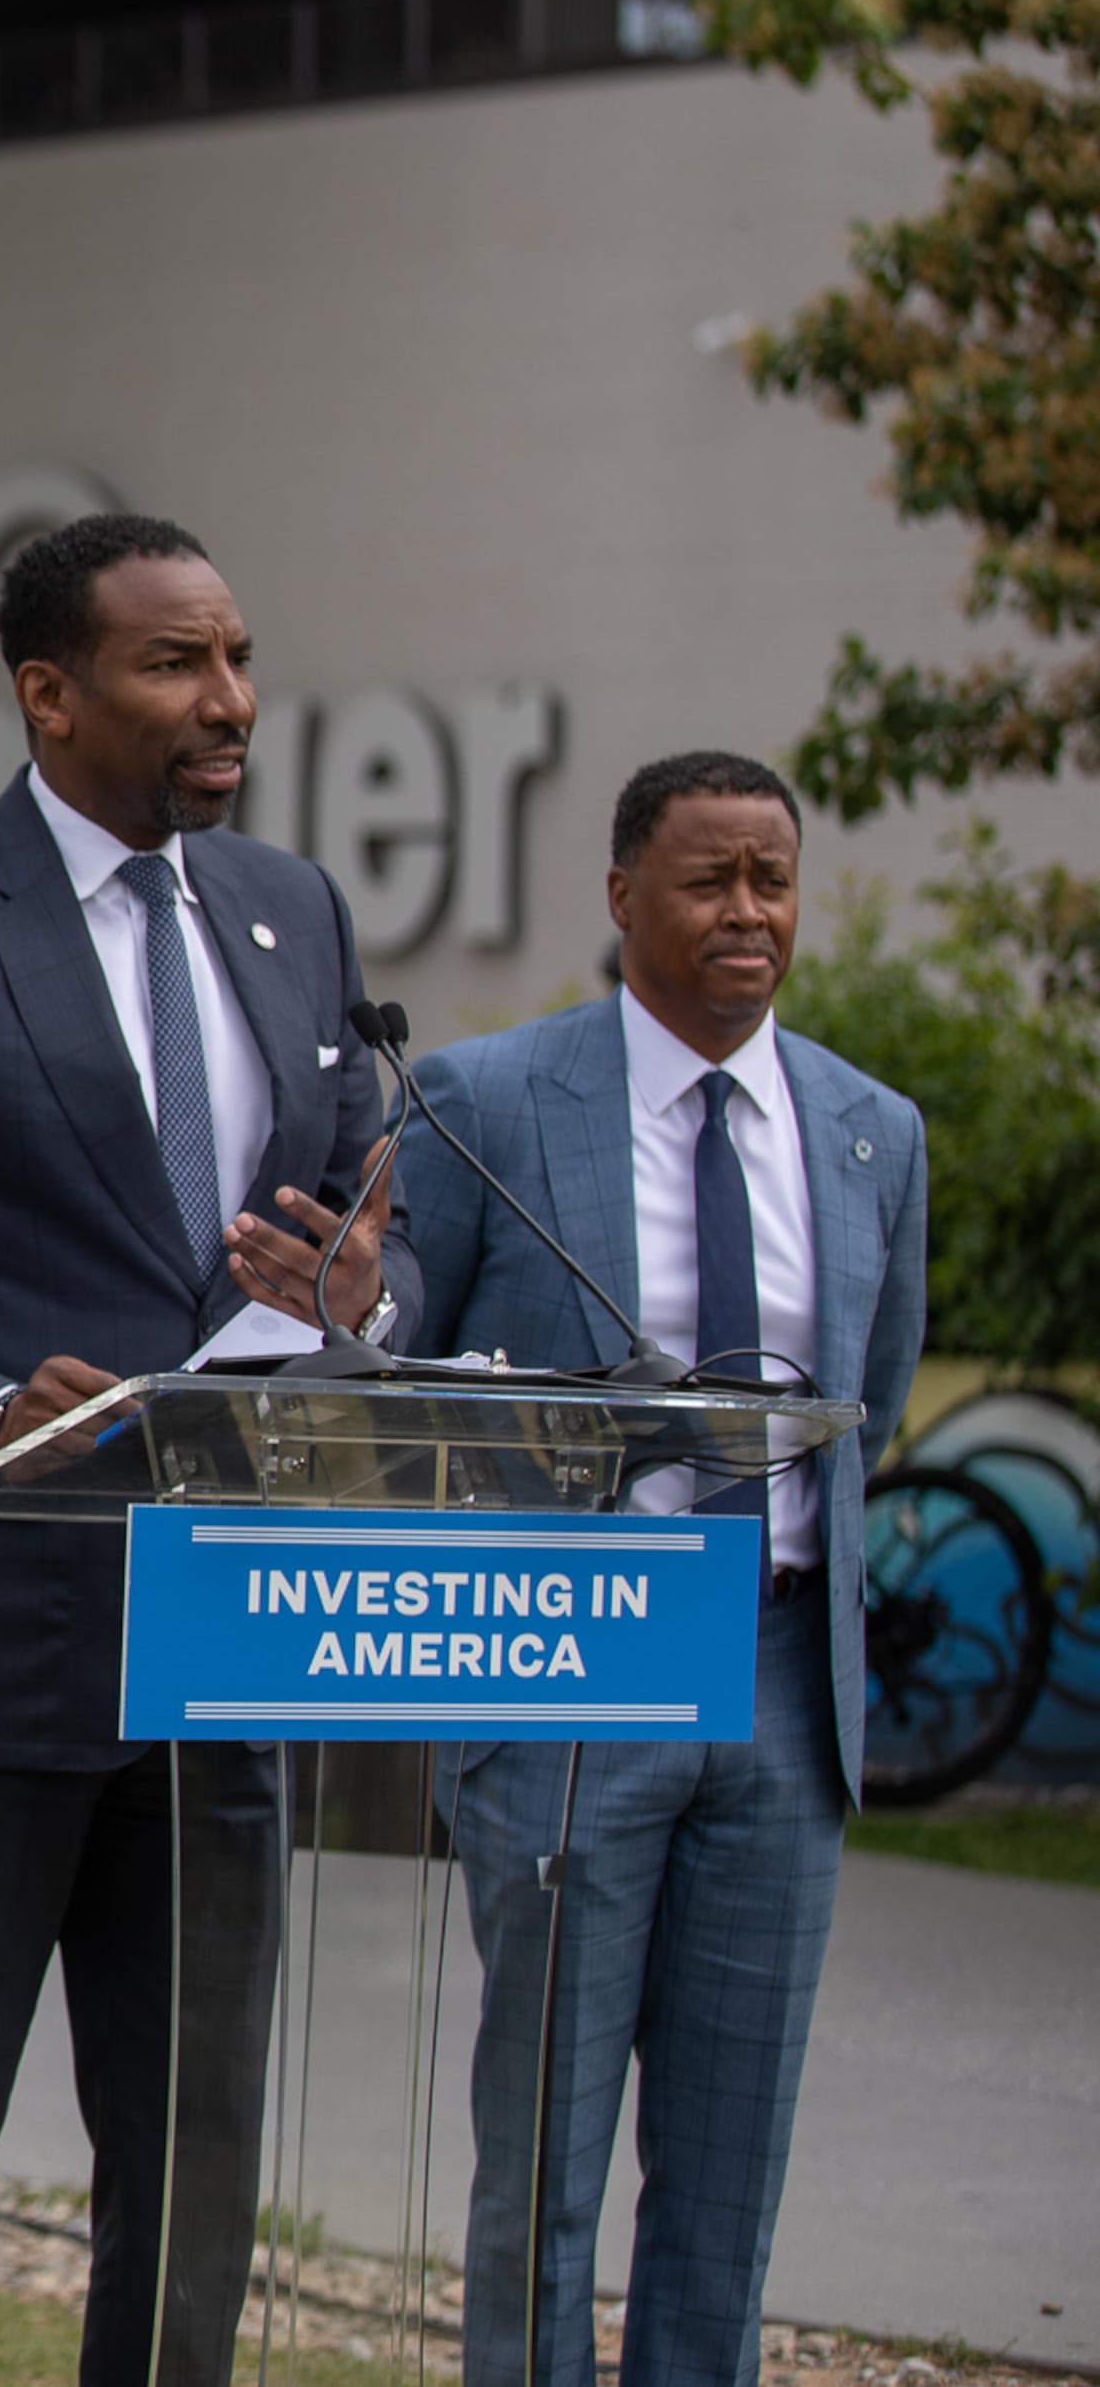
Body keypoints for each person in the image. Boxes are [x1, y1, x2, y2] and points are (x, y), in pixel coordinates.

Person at [0, 512, 422, 2387]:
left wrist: (373, 1281)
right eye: (177, 665)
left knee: (196, 2161)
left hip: (231, 1640)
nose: (233, 701)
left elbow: (371, 1211)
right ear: (48, 693)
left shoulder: (293, 912)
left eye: (238, 659)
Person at [396, 751, 925, 2387]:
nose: (749, 909)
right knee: (543, 2163)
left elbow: (872, 1398)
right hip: (569, 1661)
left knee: (726, 2174)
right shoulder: (484, 1100)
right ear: (623, 893)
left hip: (778, 1678)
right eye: (711, 877)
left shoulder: (871, 1131)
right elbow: (399, 1355)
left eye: (772, 875)